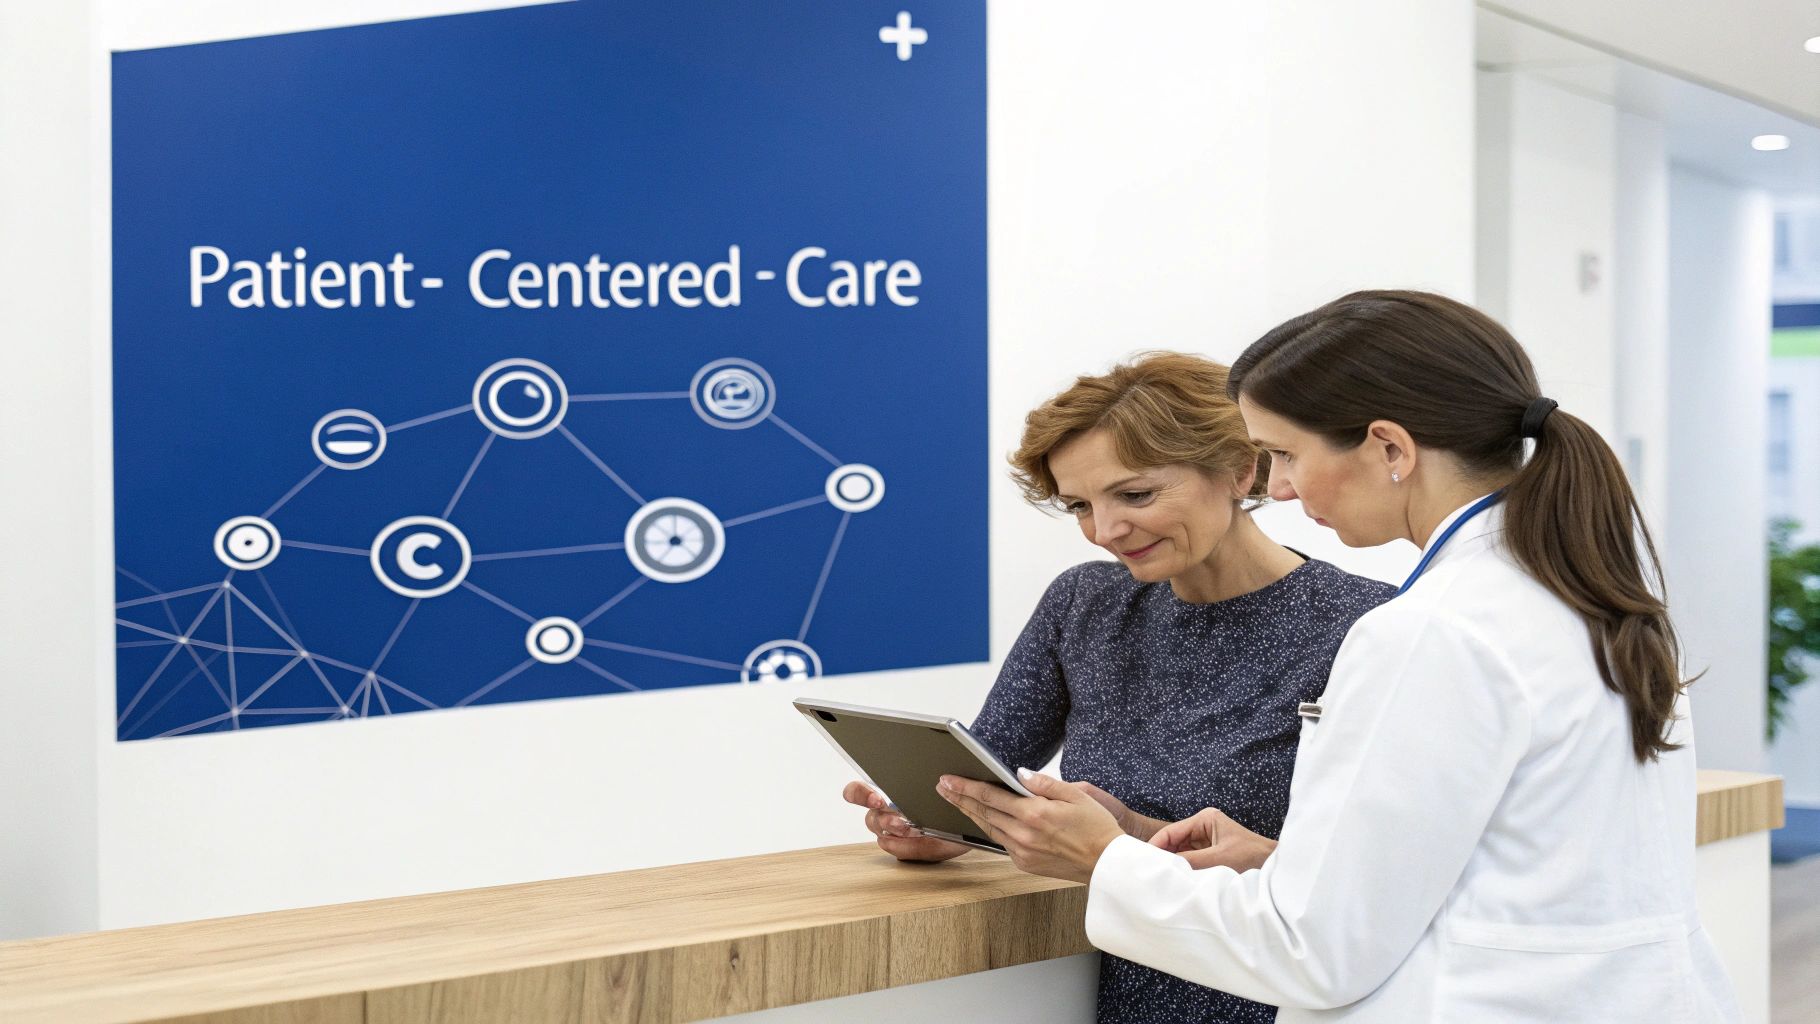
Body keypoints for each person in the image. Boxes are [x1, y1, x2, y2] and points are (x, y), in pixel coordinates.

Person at [937, 291, 1742, 1022]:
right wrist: (1287, 863)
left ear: (1389, 447)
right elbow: (1523, 868)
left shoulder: (1427, 631)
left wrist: (1106, 858)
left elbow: (1314, 956)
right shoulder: (1583, 595)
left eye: (1284, 456)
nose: (1278, 489)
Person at [844, 352, 1395, 1023]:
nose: (1105, 531)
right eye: (1080, 505)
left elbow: (1369, 887)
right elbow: (986, 769)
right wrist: (946, 823)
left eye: (1134, 495)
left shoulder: (1369, 627)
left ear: (1238, 470)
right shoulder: (1085, 603)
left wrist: (1123, 840)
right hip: (1121, 994)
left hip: (1278, 999)